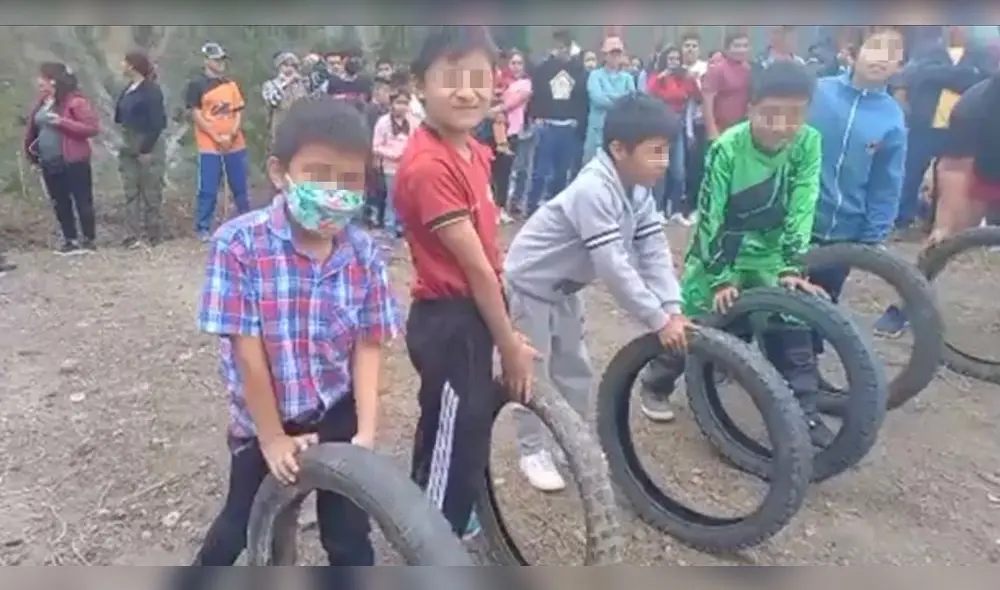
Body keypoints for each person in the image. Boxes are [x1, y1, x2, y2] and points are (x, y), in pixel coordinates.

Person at [189, 97, 402, 571]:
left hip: (335, 410)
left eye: (349, 180)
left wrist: (364, 433)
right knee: (239, 527)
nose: (334, 193)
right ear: (281, 172)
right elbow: (247, 353)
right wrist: (272, 438)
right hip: (267, 416)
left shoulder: (364, 253)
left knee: (349, 537)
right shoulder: (239, 245)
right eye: (318, 174)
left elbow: (369, 344)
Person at [641, 61, 833, 446]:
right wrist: (720, 275)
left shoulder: (808, 141)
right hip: (721, 249)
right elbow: (712, 214)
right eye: (771, 115)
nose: (781, 126)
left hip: (773, 254)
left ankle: (805, 413)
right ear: (750, 109)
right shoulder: (728, 146)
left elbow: (803, 203)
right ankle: (656, 382)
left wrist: (794, 265)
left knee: (789, 324)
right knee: (695, 323)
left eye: (794, 115)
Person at [394, 25, 537, 539]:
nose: (467, 91)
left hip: (471, 313)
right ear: (419, 85)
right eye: (451, 78)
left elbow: (487, 260)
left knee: (455, 421)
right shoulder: (429, 166)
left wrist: (502, 331)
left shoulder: (474, 151)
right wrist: (510, 344)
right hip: (449, 321)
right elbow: (475, 268)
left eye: (479, 79)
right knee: (457, 431)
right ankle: (432, 541)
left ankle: (429, 504)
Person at [505, 93, 688, 491]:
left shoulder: (638, 193)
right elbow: (614, 267)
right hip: (531, 284)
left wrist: (672, 307)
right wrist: (656, 319)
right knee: (534, 370)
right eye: (655, 152)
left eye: (667, 151)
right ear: (618, 150)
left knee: (574, 368)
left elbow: (654, 251)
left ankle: (567, 443)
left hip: (567, 288)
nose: (665, 162)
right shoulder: (594, 188)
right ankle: (532, 449)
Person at [875, 72, 1000, 337]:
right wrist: (944, 225)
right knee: (942, 242)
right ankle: (908, 303)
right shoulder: (975, 106)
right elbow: (956, 170)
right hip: (981, 171)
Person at [806, 27, 907, 337]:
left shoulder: (892, 118)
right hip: (798, 219)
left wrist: (874, 232)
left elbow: (887, 181)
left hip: (844, 230)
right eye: (875, 49)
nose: (881, 59)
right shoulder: (818, 92)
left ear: (900, 65)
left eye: (892, 55)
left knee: (822, 303)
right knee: (772, 289)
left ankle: (807, 362)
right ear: (853, 52)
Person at [891, 26, 995, 237]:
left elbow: (980, 78)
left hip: (963, 128)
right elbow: (914, 75)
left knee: (949, 179)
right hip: (927, 121)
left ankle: (935, 224)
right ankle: (901, 220)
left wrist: (938, 74)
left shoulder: (981, 53)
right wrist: (958, 75)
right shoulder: (928, 51)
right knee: (911, 171)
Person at [24, 62, 99, 255]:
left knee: (81, 200)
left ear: (54, 80)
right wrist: (32, 155)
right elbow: (33, 130)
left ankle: (88, 240)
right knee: (59, 201)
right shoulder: (42, 102)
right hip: (49, 161)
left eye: (42, 78)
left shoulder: (76, 102)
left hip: (73, 159)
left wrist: (62, 122)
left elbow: (91, 128)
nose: (39, 82)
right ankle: (69, 239)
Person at [184, 42, 250, 241]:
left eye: (222, 60)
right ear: (207, 60)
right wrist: (215, 136)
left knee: (240, 185)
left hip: (234, 142)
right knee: (208, 187)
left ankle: (247, 222)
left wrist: (231, 134)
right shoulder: (196, 85)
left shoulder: (231, 85)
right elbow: (195, 114)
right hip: (209, 144)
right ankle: (203, 227)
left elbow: (238, 112)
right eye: (216, 60)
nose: (220, 64)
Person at [523, 29, 588, 217]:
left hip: (568, 126)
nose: (561, 51)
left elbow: (582, 99)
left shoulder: (579, 70)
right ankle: (531, 206)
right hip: (547, 125)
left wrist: (578, 121)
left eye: (565, 47)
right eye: (558, 47)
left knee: (562, 172)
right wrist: (536, 117)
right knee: (540, 170)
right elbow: (536, 96)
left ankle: (557, 210)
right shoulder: (543, 69)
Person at [115, 50, 167, 248]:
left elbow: (158, 122)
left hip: (148, 140)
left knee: (151, 189)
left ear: (132, 66)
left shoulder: (151, 91)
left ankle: (153, 233)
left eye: (124, 62)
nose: (121, 65)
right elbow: (119, 116)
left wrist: (146, 149)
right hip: (128, 140)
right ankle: (132, 235)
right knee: (130, 190)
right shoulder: (128, 89)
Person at [647, 45, 700, 224]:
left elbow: (697, 97)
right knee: (660, 169)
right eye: (670, 59)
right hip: (660, 126)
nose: (674, 62)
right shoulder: (658, 77)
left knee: (678, 170)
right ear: (664, 60)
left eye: (677, 59)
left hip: (678, 126)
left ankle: (676, 210)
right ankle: (658, 209)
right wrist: (660, 79)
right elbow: (648, 94)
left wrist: (693, 80)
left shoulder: (684, 78)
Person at [489, 49, 532, 223]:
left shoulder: (526, 84)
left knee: (506, 173)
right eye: (513, 63)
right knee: (492, 171)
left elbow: (510, 104)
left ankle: (502, 207)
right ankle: (491, 208)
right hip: (492, 130)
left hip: (513, 131)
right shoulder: (499, 81)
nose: (515, 67)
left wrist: (488, 111)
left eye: (519, 63)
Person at [372, 88, 417, 238]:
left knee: (406, 199)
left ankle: (401, 227)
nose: (402, 107)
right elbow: (376, 146)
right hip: (390, 167)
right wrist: (393, 155)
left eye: (405, 103)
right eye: (399, 103)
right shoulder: (383, 122)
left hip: (409, 166)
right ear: (392, 104)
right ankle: (389, 228)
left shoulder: (413, 122)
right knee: (392, 198)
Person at [584, 37, 636, 162]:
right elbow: (597, 98)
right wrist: (620, 99)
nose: (615, 57)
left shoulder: (628, 78)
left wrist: (610, 95)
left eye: (618, 53)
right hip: (597, 132)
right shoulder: (595, 75)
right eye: (612, 53)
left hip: (619, 132)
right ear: (605, 55)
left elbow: (632, 100)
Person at [680, 32, 709, 224]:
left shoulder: (705, 69)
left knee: (696, 167)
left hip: (699, 125)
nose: (690, 49)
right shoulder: (675, 69)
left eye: (694, 46)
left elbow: (699, 101)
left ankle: (694, 207)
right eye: (687, 45)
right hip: (674, 125)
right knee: (673, 169)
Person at [702, 32, 752, 143]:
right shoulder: (717, 70)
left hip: (742, 129)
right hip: (721, 129)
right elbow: (707, 101)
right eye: (737, 46)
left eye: (745, 46)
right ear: (727, 48)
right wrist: (712, 129)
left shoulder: (750, 69)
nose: (741, 50)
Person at [261, 52, 308, 149]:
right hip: (279, 130)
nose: (289, 68)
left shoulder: (303, 84)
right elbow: (272, 101)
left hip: (300, 130)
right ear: (279, 67)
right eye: (285, 65)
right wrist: (286, 83)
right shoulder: (270, 85)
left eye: (293, 65)